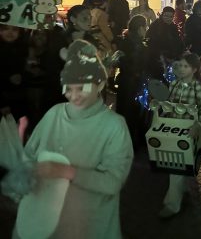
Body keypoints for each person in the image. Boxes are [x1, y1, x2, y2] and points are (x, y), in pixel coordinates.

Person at [9, 39, 133, 238]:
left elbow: (112, 182)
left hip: (88, 222)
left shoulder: (114, 126)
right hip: (42, 218)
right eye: (68, 89)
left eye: (82, 88)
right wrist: (24, 175)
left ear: (99, 83)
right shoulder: (54, 114)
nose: (74, 96)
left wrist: (66, 171)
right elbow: (29, 155)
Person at [159, 52, 201, 218]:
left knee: (176, 168)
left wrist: (198, 125)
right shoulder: (174, 84)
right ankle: (182, 189)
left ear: (194, 69)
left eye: (185, 66)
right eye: (179, 66)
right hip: (174, 129)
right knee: (177, 166)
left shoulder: (198, 87)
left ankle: (172, 205)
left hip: (190, 132)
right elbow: (169, 105)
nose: (181, 69)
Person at [116, 15, 148, 149]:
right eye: (145, 27)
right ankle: (131, 142)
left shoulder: (128, 40)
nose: (146, 29)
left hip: (127, 81)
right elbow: (132, 62)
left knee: (126, 112)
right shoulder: (135, 43)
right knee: (132, 112)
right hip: (132, 82)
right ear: (140, 28)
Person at [146, 6, 185, 79]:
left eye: (171, 16)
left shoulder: (173, 27)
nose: (168, 18)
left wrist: (181, 51)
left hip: (172, 58)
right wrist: (161, 56)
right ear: (162, 15)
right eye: (166, 16)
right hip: (158, 59)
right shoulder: (156, 25)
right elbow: (151, 42)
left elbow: (178, 41)